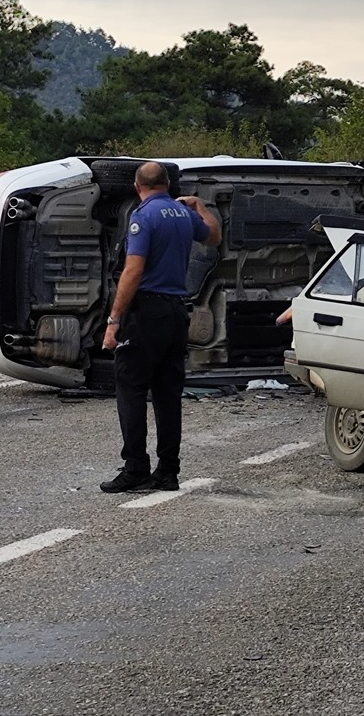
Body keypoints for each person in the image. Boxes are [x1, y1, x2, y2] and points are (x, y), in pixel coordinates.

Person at [100, 162, 221, 493]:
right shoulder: (183, 215)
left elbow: (133, 271)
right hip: (175, 313)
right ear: (167, 184)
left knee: (131, 389)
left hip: (146, 314)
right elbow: (213, 236)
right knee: (168, 395)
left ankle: (136, 467)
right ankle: (168, 471)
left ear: (137, 187)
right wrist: (201, 206)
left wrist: (114, 320)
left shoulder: (143, 216)